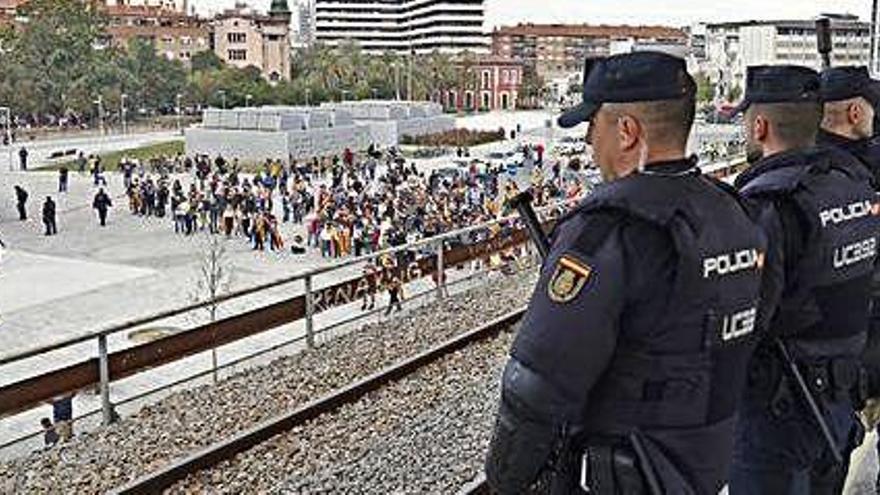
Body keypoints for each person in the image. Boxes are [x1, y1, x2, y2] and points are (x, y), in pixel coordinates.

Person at [485, 52, 767, 494]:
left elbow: (535, 387)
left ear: (627, 131)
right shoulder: (735, 213)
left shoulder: (605, 233)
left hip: (624, 474)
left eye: (592, 127)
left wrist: (506, 480)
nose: (589, 143)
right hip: (704, 465)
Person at [728, 66, 880, 494]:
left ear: (758, 126)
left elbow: (744, 322)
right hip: (838, 403)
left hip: (777, 418)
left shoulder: (770, 204)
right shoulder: (855, 188)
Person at [817, 65, 880, 490]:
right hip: (858, 358)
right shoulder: (857, 171)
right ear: (856, 112)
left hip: (834, 365)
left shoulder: (806, 178)